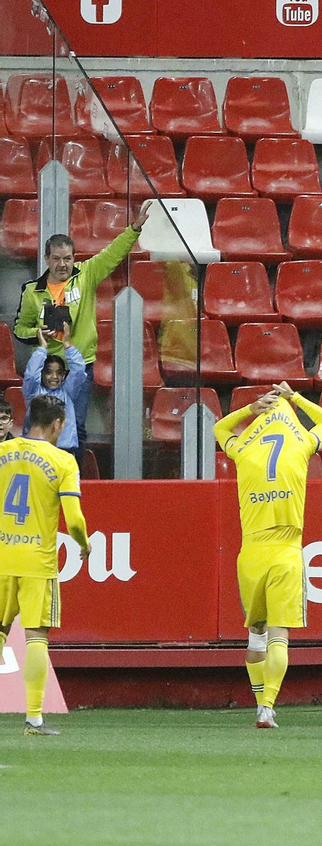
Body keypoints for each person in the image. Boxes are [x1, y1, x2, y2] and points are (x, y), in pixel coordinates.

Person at [215, 381, 322, 730]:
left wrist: (250, 409)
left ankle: (257, 704)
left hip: (251, 552)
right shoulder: (300, 443)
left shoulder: (244, 449)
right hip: (285, 551)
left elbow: (219, 427)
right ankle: (268, 707)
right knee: (279, 635)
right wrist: (294, 397)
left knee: (256, 633)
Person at [14, 201, 150, 446]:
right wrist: (37, 333)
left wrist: (134, 229)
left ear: (74, 258)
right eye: (56, 258)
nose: (62, 264)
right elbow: (19, 329)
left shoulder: (86, 275)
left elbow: (112, 253)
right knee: (37, 427)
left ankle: (72, 478)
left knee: (76, 427)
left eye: (67, 258)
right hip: (46, 369)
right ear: (46, 259)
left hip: (79, 367)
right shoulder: (32, 291)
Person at [0, 396, 88, 736]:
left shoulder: (3, 453)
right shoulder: (63, 461)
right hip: (37, 561)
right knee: (36, 635)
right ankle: (34, 719)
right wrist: (84, 544)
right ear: (58, 424)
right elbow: (75, 520)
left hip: (2, 557)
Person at [22, 329, 87, 460]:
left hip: (65, 451)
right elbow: (30, 374)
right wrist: (42, 347)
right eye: (49, 372)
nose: (54, 377)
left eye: (59, 373)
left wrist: (67, 344)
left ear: (64, 375)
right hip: (37, 451)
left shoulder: (68, 391)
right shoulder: (33, 392)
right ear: (41, 373)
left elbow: (79, 371)